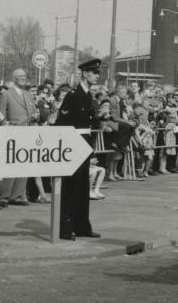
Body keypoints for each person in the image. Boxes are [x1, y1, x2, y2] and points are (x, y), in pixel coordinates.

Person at [55, 58, 101, 240]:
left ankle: (82, 226)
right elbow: (62, 122)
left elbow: (88, 123)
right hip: (73, 143)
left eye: (98, 73)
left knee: (83, 186)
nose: (97, 76)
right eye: (94, 72)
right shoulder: (73, 95)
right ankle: (66, 228)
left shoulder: (88, 95)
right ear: (85, 73)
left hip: (85, 142)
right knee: (71, 187)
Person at [0, 68, 43, 205]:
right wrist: (6, 127)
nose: (24, 78)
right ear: (14, 78)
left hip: (28, 132)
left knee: (24, 164)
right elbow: (1, 114)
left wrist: (36, 116)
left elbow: (34, 112)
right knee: (11, 164)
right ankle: (3, 196)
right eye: (20, 76)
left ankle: (17, 195)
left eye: (24, 75)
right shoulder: (6, 94)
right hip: (13, 133)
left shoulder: (28, 95)